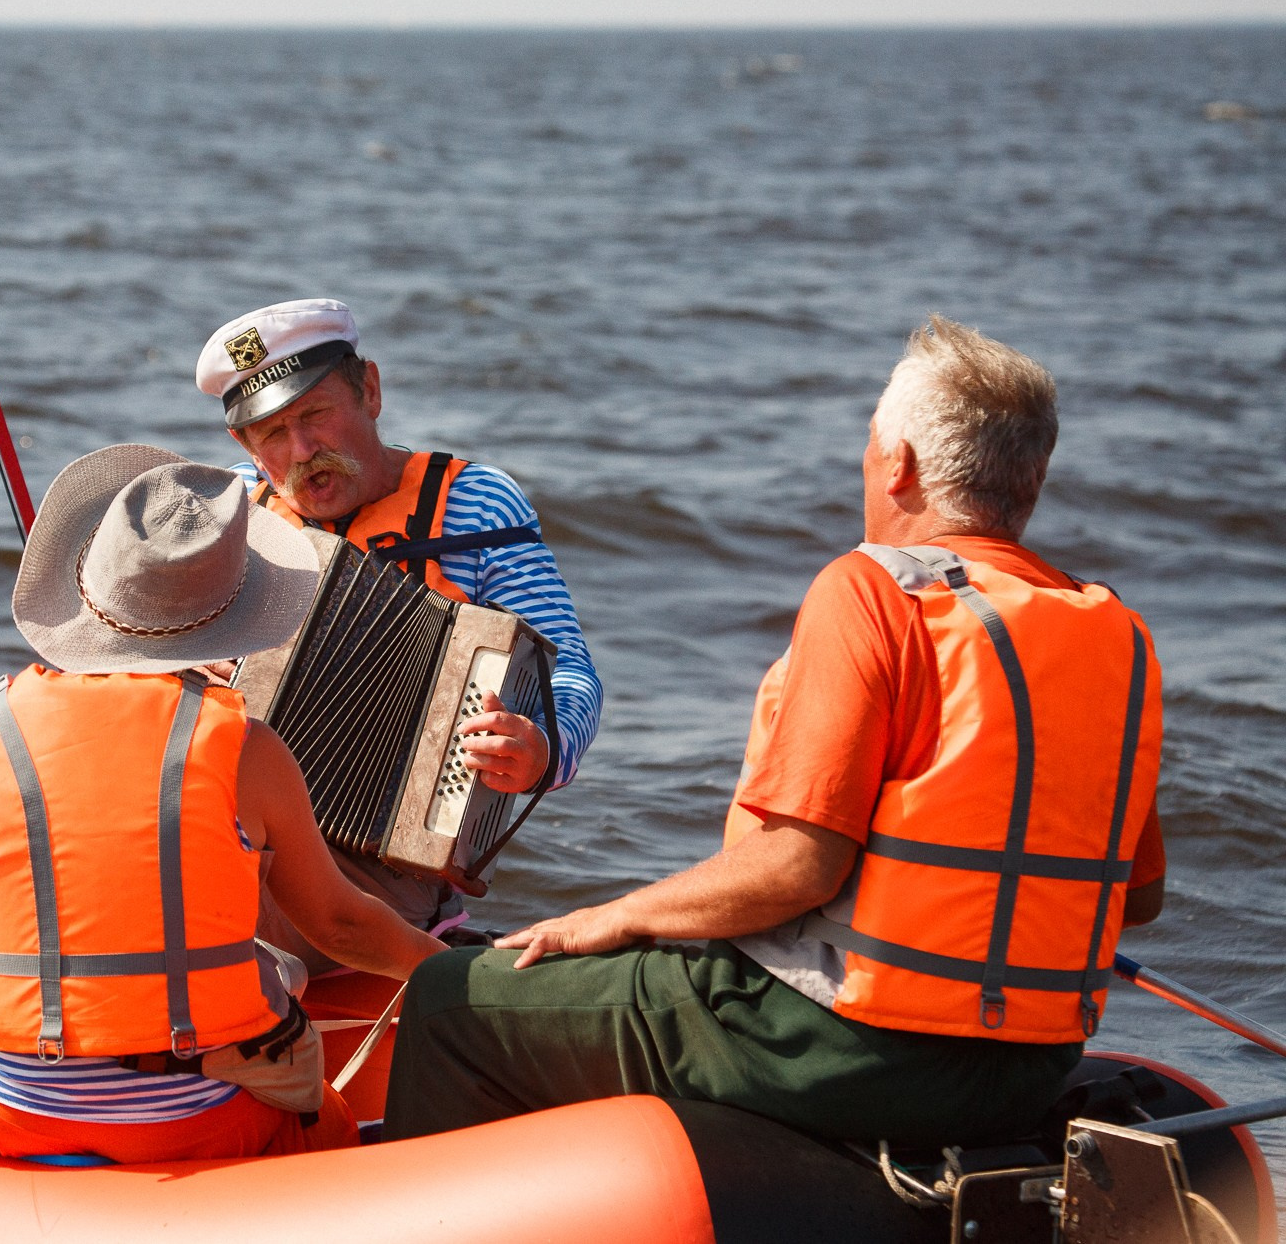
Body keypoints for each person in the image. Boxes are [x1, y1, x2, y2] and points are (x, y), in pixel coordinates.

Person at [381, 316, 1167, 1149]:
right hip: (1032, 1063)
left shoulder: (873, 590)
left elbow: (799, 865)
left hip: (843, 1045)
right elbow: (1139, 896)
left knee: (452, 999)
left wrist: (613, 917)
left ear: (897, 462)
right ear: (1030, 477)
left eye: (871, 442)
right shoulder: (1117, 633)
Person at [0, 445, 445, 1165]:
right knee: (310, 1098)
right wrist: (452, 971)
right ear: (231, 620)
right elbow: (342, 925)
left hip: (0, 1101)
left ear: (85, 588)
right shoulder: (248, 747)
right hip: (197, 1115)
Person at [195, 297, 602, 947]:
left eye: (316, 415)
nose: (302, 451)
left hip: (391, 855)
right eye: (271, 433)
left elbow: (571, 671)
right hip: (229, 817)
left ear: (371, 390)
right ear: (241, 443)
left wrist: (543, 747)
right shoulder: (222, 510)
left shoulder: (475, 503)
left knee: (202, 913)